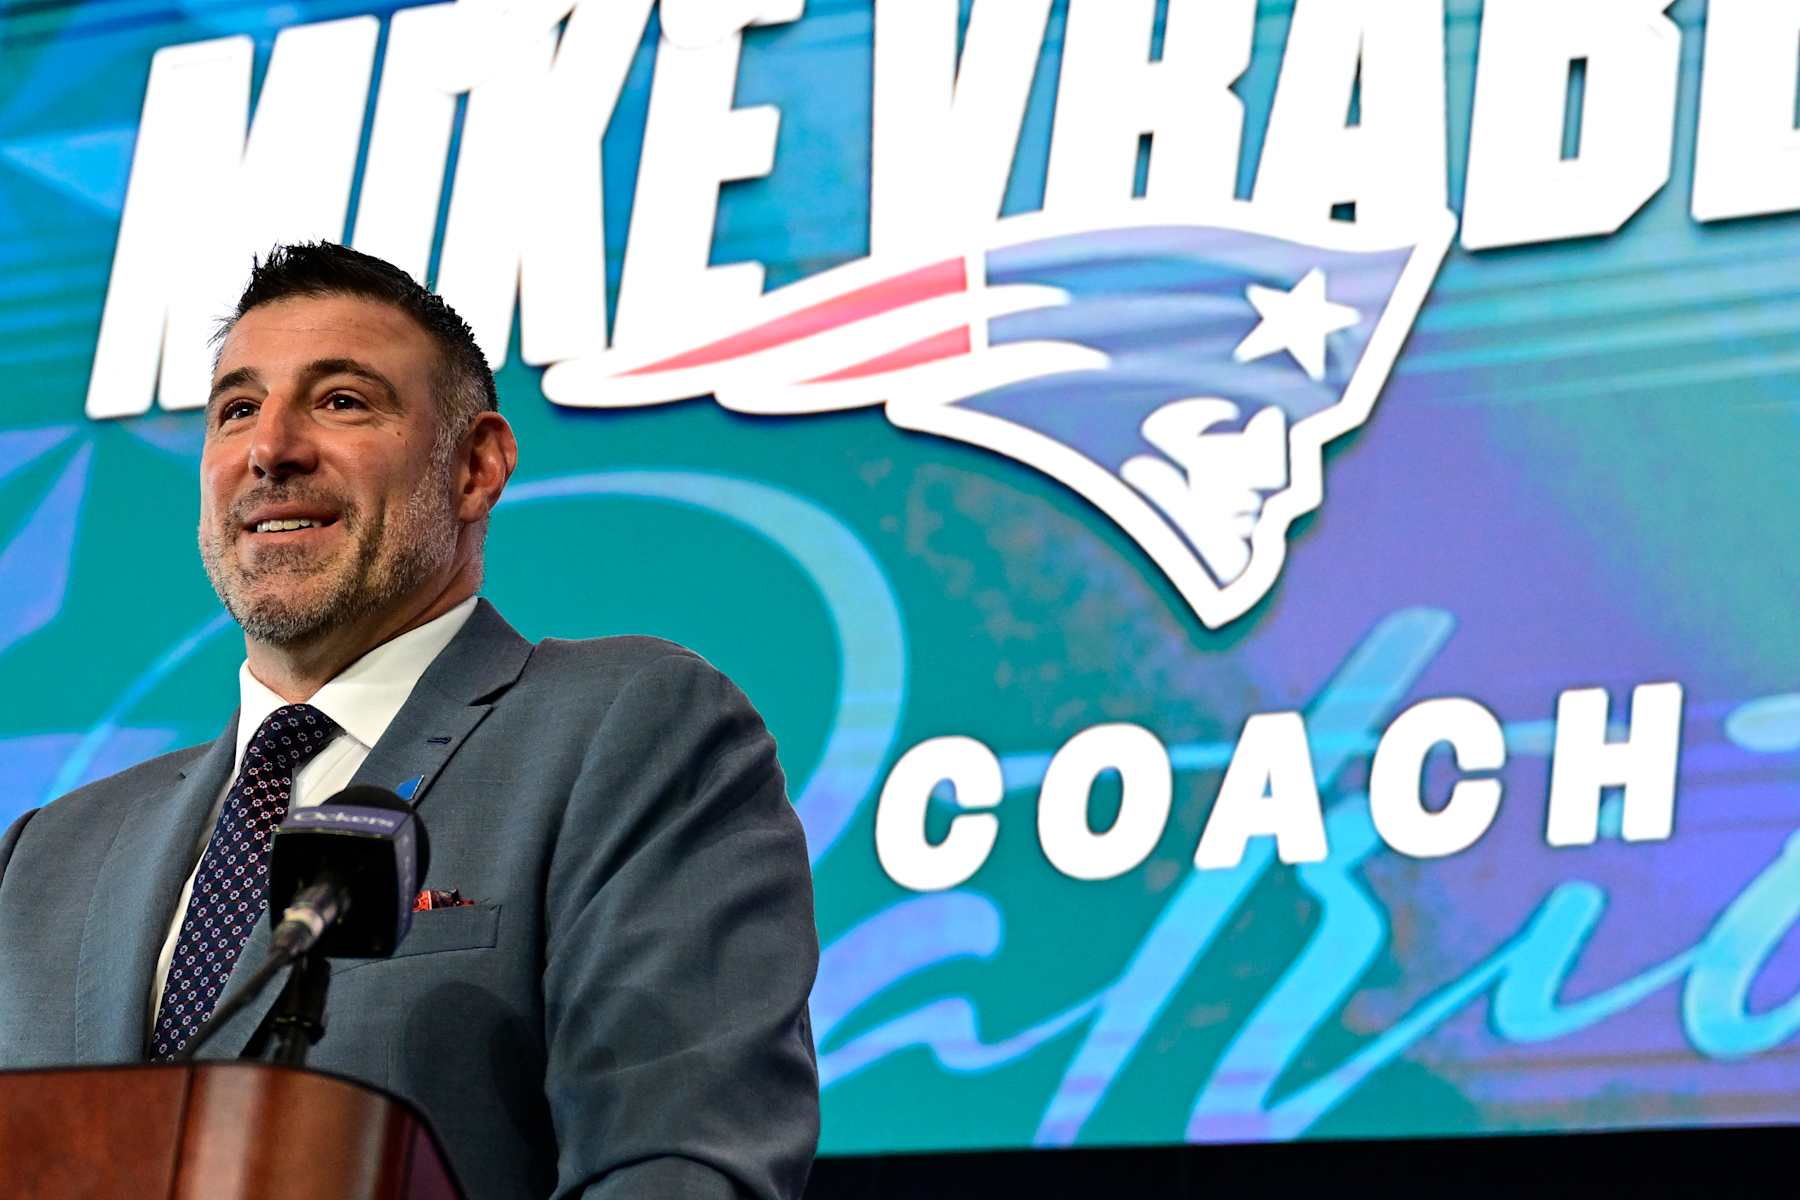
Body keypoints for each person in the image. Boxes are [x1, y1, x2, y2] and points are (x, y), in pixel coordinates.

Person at [0, 243, 820, 1199]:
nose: (271, 450)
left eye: (342, 400)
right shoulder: (45, 858)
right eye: (236, 410)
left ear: (476, 467)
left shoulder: (626, 730)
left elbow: (680, 1169)